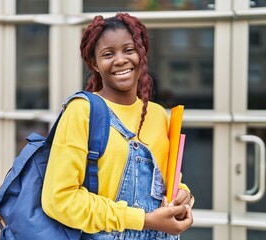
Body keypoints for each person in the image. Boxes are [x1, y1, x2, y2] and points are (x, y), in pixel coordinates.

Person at [42, 12, 194, 240]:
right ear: (94, 63)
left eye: (129, 50)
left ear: (141, 54)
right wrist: (144, 220)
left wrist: (184, 196)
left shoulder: (157, 114)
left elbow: (169, 179)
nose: (121, 59)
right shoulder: (82, 111)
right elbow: (59, 199)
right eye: (108, 54)